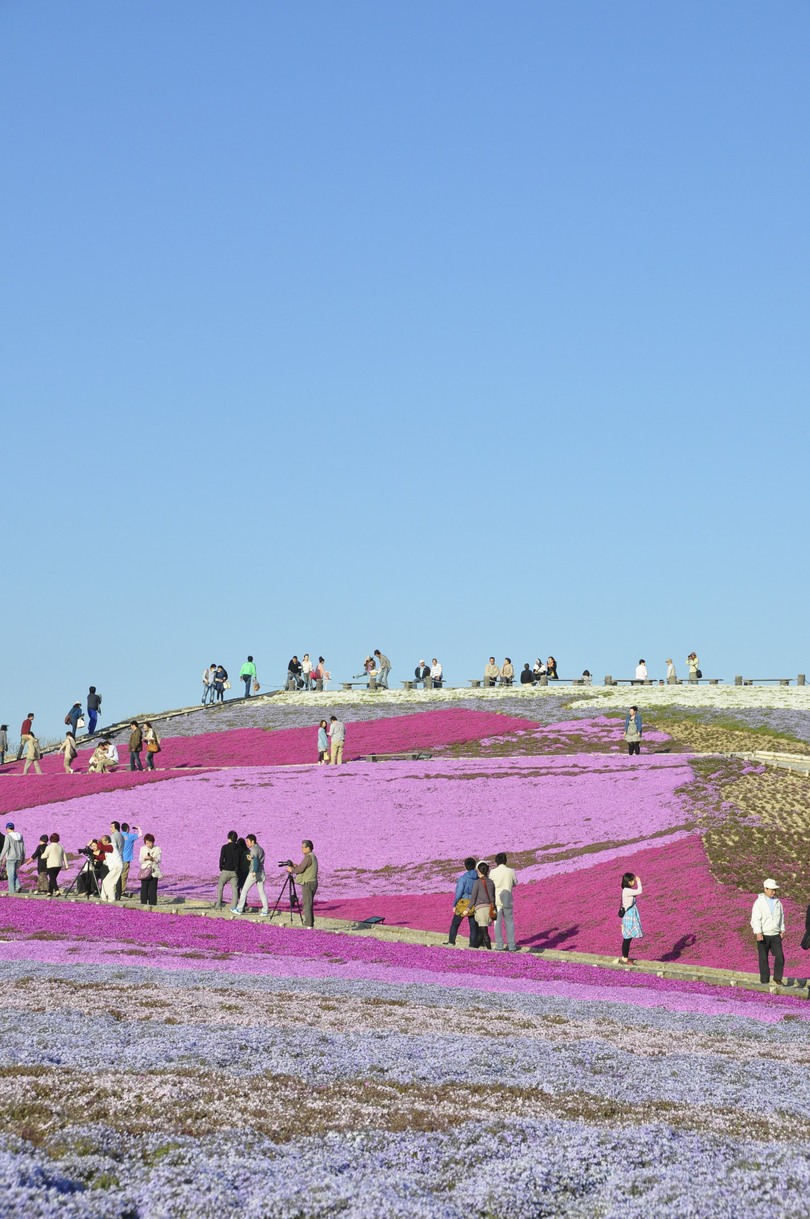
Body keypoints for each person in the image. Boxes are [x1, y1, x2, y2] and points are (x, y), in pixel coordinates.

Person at [751, 879, 786, 985]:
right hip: (764, 934)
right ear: (765, 889)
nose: (773, 892)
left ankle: (777, 978)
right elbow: (755, 918)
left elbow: (782, 917)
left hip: (775, 934)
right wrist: (758, 932)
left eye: (775, 890)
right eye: (771, 890)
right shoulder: (759, 902)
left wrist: (782, 929)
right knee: (763, 958)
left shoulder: (778, 902)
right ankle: (765, 980)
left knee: (780, 956)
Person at [444, 857, 479, 948]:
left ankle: (451, 941)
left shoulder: (463, 879)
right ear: (475, 865)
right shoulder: (478, 878)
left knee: (455, 923)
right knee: (473, 925)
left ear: (465, 866)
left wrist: (454, 904)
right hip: (474, 903)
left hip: (463, 903)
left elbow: (458, 893)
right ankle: (472, 944)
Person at [232, 833, 268, 915]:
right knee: (261, 892)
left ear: (253, 841)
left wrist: (254, 871)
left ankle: (239, 908)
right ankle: (265, 910)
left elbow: (255, 861)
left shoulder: (253, 850)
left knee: (244, 890)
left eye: (248, 841)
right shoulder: (261, 849)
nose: (247, 843)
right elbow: (259, 860)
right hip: (261, 872)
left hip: (254, 873)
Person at [490, 852, 519, 952]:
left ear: (496, 861)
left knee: (497, 923)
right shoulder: (511, 871)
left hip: (497, 900)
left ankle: (499, 945)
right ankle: (512, 946)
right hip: (508, 900)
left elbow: (490, 885)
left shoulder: (493, 872)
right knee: (509, 923)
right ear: (505, 860)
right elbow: (515, 883)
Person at [287, 840, 318, 928]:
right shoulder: (312, 856)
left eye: (303, 847)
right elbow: (302, 867)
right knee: (308, 903)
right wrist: (295, 866)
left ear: (308, 848)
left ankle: (308, 924)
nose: (302, 849)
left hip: (308, 883)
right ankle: (309, 922)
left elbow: (300, 870)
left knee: (307, 904)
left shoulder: (308, 857)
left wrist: (292, 870)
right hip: (312, 882)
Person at [469, 861, 496, 949]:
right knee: (481, 931)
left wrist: (468, 908)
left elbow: (473, 897)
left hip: (481, 909)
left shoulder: (477, 882)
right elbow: (493, 897)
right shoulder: (491, 882)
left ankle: (489, 949)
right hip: (489, 908)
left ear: (479, 871)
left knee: (484, 931)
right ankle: (475, 948)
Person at [617, 872, 643, 964]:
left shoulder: (627, 890)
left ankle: (625, 957)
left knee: (628, 937)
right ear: (628, 881)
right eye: (632, 880)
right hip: (629, 916)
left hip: (631, 915)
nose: (634, 882)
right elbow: (640, 891)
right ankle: (624, 958)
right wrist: (639, 881)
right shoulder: (627, 890)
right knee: (627, 938)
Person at [215, 830, 241, 910]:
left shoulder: (225, 847)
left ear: (229, 838)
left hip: (225, 870)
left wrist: (221, 868)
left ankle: (218, 905)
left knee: (220, 887)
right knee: (235, 890)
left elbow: (221, 859)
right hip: (235, 872)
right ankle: (233, 907)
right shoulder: (239, 848)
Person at [0, 823, 26, 894]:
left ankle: (12, 892)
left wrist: (1, 857)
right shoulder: (20, 835)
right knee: (13, 872)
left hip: (11, 858)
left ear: (8, 828)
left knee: (10, 875)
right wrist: (23, 857)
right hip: (18, 858)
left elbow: (5, 848)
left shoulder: (8, 836)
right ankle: (18, 886)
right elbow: (23, 847)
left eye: (6, 829)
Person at [139, 834, 162, 906]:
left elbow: (159, 860)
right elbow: (140, 860)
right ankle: (143, 903)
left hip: (154, 870)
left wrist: (153, 858)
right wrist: (144, 858)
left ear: (153, 842)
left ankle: (152, 903)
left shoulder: (157, 848)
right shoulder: (142, 848)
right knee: (144, 888)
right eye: (146, 843)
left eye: (149, 843)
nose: (148, 845)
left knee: (153, 888)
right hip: (145, 870)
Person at [119, 823, 141, 896]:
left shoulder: (119, 836)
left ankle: (116, 890)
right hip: (126, 860)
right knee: (124, 876)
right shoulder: (130, 836)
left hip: (118, 859)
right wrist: (138, 828)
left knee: (117, 875)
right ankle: (122, 891)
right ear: (128, 829)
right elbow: (140, 834)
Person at [100, 834, 123, 902]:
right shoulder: (108, 849)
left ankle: (111, 898)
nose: (102, 842)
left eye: (103, 841)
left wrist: (98, 841)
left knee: (109, 882)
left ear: (107, 841)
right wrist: (94, 856)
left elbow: (101, 848)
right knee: (106, 881)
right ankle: (104, 898)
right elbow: (103, 857)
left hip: (117, 866)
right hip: (114, 867)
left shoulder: (111, 846)